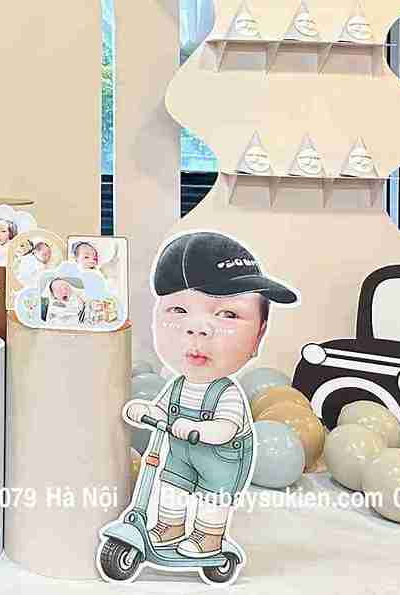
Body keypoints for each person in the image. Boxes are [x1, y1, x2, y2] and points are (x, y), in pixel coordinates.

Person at [122, 231, 297, 559]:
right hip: (180, 452)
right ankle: (169, 525)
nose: (199, 329)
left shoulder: (227, 393)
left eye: (228, 314)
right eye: (178, 310)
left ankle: (209, 537)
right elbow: (164, 410)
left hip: (222, 460)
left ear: (260, 335)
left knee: (212, 501)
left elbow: (226, 428)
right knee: (171, 486)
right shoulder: (177, 386)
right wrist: (148, 412)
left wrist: (201, 429)